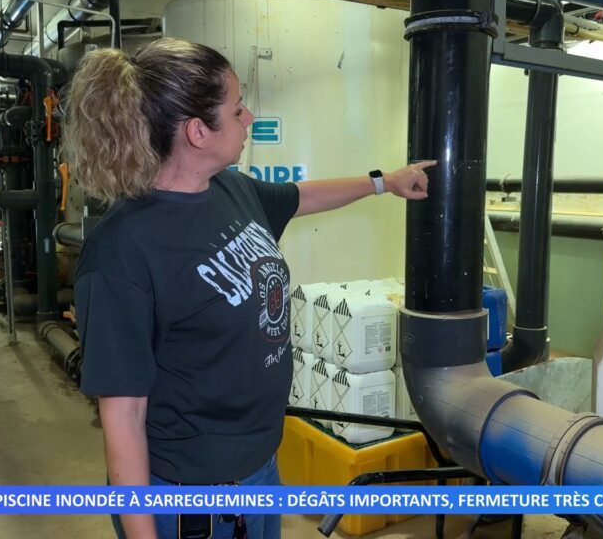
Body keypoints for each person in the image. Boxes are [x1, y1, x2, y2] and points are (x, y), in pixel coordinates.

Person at [64, 37, 434, 539]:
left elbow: (300, 197)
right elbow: (123, 417)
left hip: (258, 466)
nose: (249, 115)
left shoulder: (229, 189)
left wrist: (384, 182)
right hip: (190, 497)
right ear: (198, 132)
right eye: (237, 109)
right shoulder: (121, 253)